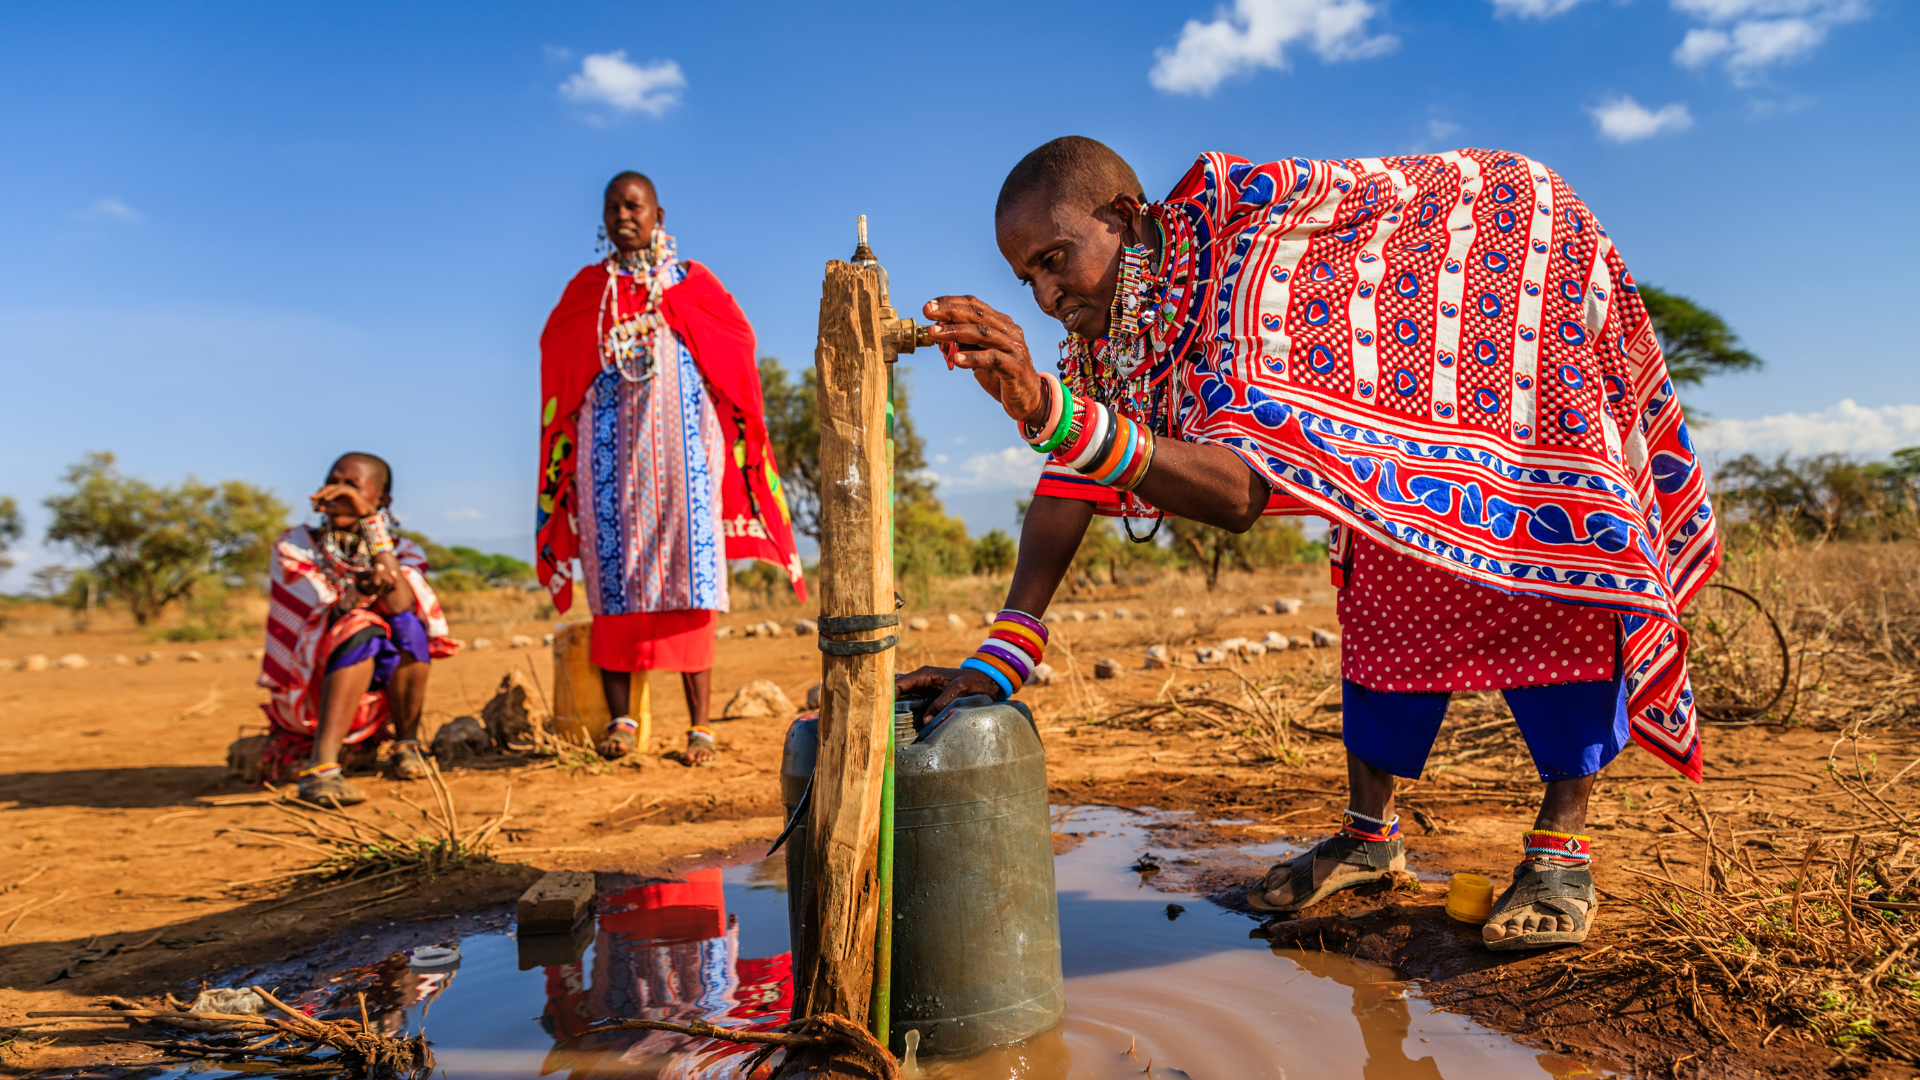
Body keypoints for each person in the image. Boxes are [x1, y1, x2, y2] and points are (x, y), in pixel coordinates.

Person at [898, 138, 1720, 950]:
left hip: (1502, 312)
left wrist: (1048, 408)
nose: (1045, 297)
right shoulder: (1107, 337)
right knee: (1385, 583)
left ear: (1120, 217)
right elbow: (1071, 479)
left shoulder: (1242, 263)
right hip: (1409, 407)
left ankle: (1561, 851)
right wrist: (1000, 656)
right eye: (1026, 278)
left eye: (1054, 259)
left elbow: (1238, 490)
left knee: (1548, 562)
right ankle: (1370, 839)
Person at [537, 171, 804, 765]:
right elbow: (556, 348)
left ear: (658, 213)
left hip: (683, 458)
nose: (622, 216)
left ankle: (700, 729)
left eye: (634, 206)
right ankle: (622, 721)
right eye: (612, 208)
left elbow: (736, 339)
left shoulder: (689, 281)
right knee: (613, 585)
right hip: (606, 460)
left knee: (691, 581)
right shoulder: (589, 289)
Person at [257, 452, 457, 805]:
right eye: (334, 482)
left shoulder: (402, 549)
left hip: (376, 692)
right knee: (360, 625)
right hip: (311, 685)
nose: (339, 492)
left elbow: (400, 606)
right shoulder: (296, 545)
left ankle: (406, 743)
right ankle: (320, 770)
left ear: (383, 501)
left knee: (409, 625)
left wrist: (369, 521)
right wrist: (358, 595)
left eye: (353, 486)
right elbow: (322, 621)